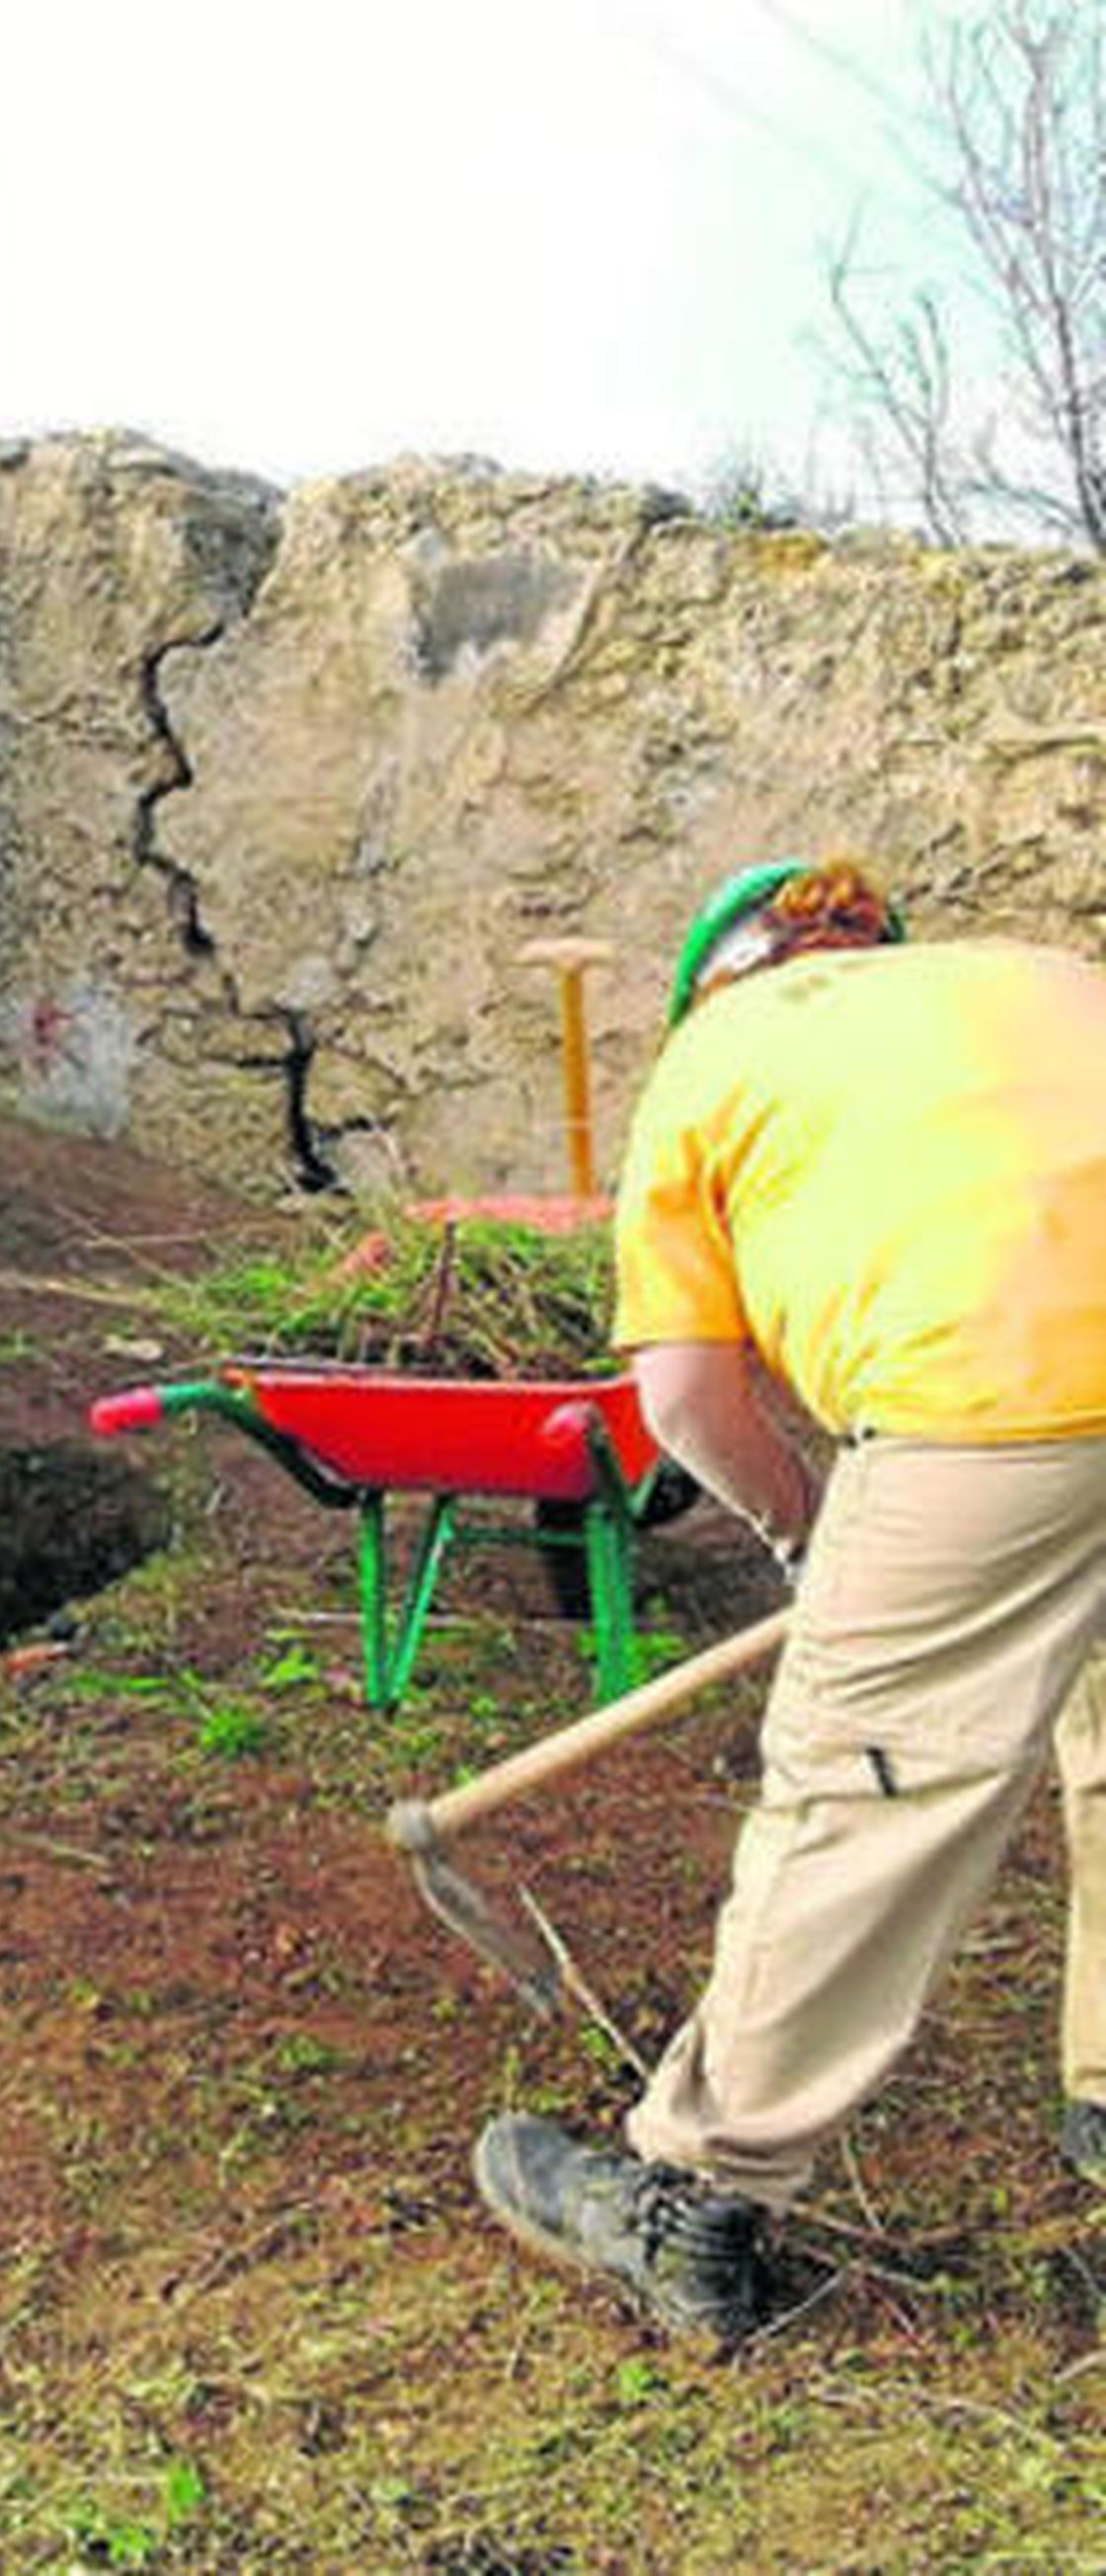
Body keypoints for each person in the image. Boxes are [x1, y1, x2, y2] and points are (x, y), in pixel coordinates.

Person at [473, 857, 1106, 2342]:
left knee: (865, 1787)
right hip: (1037, 1389)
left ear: (715, 980)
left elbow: (686, 1394)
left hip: (997, 1397)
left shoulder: (717, 1057)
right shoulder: (1047, 980)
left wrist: (806, 1526)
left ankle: (695, 2199)